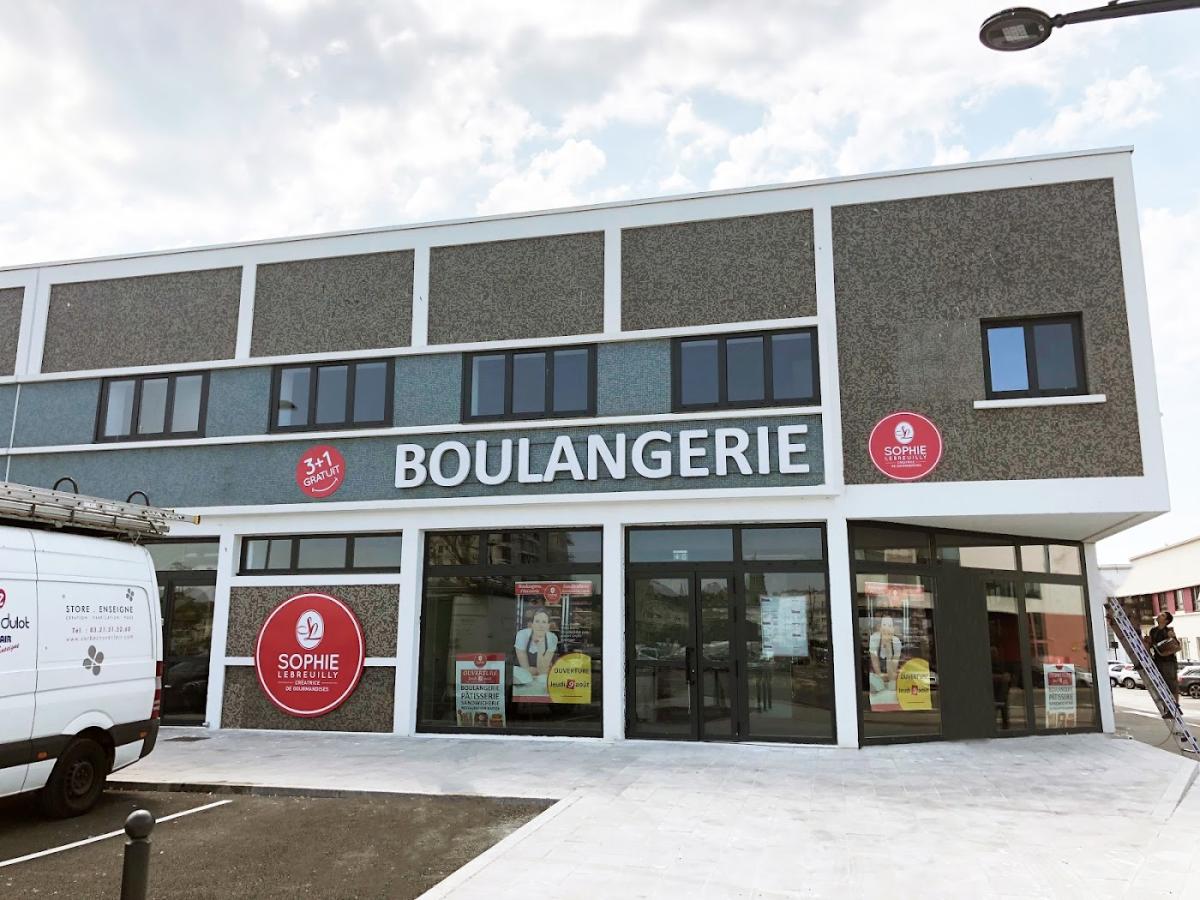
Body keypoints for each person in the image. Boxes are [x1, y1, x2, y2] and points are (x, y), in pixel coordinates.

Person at [1149, 610, 1181, 715]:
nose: (1159, 615)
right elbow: (1151, 644)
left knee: (1172, 685)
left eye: (1162, 615)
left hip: (1168, 662)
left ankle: (1175, 707)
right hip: (1157, 661)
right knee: (1161, 685)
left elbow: (1177, 646)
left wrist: (1165, 653)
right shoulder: (1153, 631)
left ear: (1166, 621)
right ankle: (1167, 708)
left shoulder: (1169, 631)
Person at [515, 607, 558, 679]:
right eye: (537, 621)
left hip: (540, 679)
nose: (540, 625)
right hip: (520, 678)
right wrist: (535, 670)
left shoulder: (552, 638)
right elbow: (525, 670)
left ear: (548, 626)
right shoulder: (522, 635)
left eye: (544, 622)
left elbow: (542, 670)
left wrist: (540, 647)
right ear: (532, 624)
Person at [869, 615, 902, 695]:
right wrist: (881, 677)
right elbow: (875, 662)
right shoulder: (874, 639)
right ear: (880, 628)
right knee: (879, 688)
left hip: (891, 674)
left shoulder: (896, 643)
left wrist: (889, 654)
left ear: (893, 629)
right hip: (876, 675)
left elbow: (893, 672)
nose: (886, 628)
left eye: (890, 625)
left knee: (892, 688)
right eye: (884, 625)